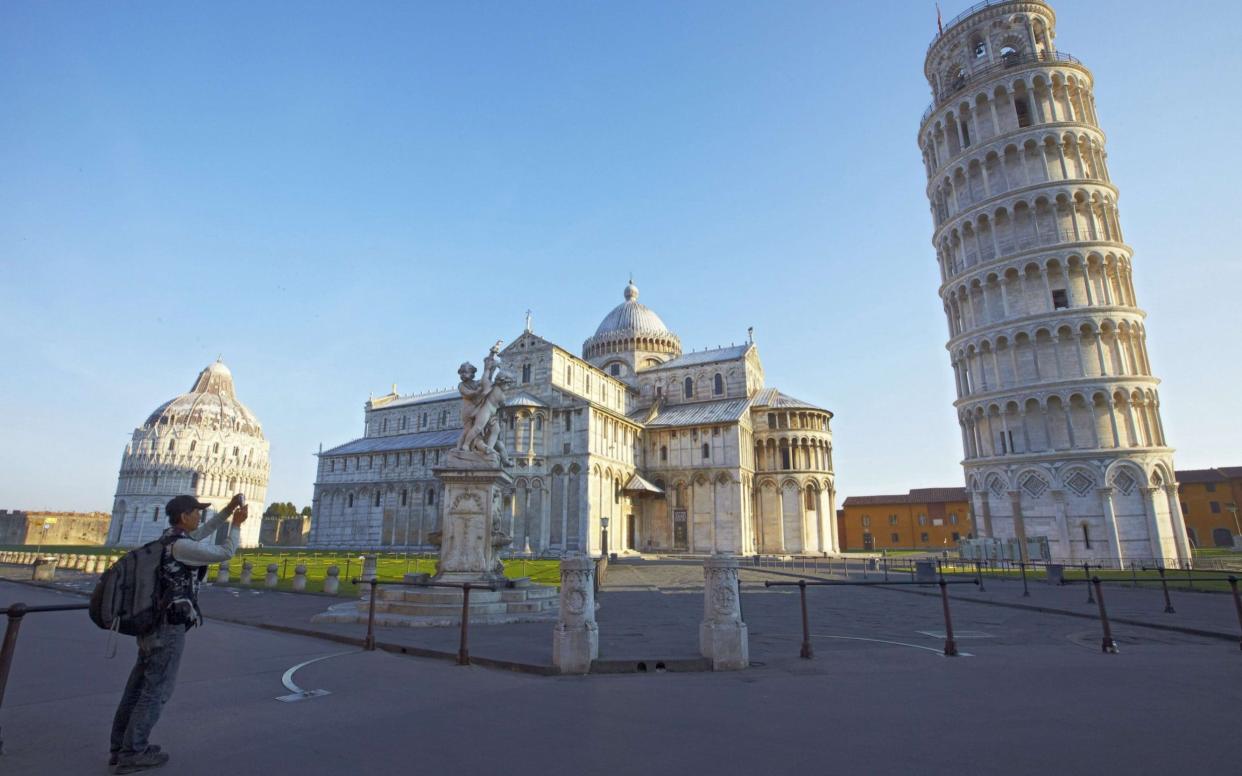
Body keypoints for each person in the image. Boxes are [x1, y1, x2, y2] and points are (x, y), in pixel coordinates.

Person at [108, 492, 249, 774]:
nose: (200, 517)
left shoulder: (169, 539)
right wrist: (236, 526)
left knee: (137, 688)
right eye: (196, 512)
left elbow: (205, 531)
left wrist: (228, 510)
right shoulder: (181, 547)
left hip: (152, 625)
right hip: (168, 626)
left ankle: (120, 747)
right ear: (184, 516)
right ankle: (133, 752)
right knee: (156, 690)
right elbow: (225, 553)